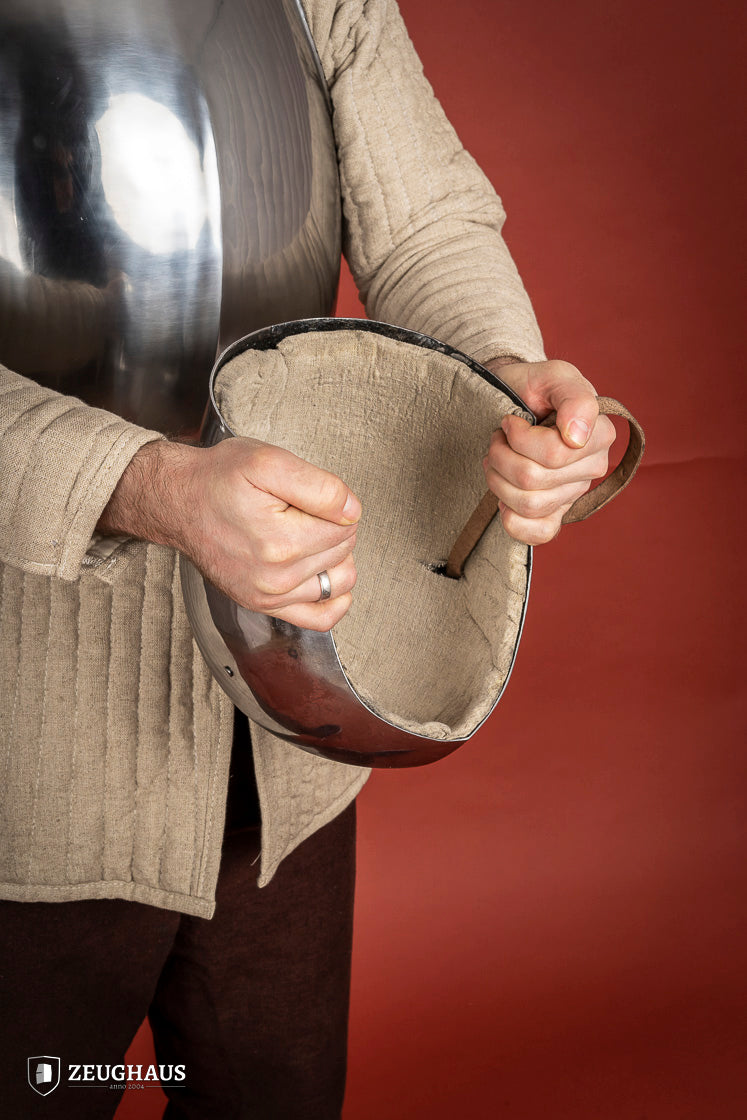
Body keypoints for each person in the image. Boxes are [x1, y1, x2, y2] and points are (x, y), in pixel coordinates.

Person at [0, 0, 615, 1116]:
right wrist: (153, 487)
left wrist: (502, 382)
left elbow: (423, 223)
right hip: (24, 778)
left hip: (293, 746)